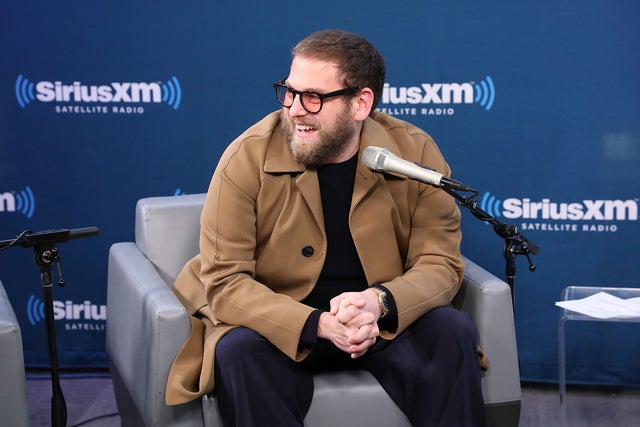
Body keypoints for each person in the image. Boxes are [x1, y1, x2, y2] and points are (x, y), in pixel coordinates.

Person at [165, 29, 486, 426]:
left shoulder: (415, 152)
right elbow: (224, 282)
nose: (295, 109)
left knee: (450, 329)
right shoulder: (245, 157)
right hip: (280, 326)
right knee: (238, 349)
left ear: (360, 103)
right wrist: (317, 324)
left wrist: (378, 302)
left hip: (378, 325)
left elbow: (440, 263)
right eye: (289, 91)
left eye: (313, 97)